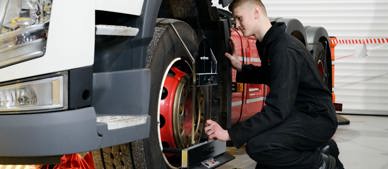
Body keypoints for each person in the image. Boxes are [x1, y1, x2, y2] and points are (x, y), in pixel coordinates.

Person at [204, 0, 344, 169]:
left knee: (259, 146)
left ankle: (321, 162)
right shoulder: (270, 43)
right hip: (302, 114)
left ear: (256, 12)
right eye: (235, 20)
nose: (237, 24)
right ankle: (324, 147)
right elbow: (273, 75)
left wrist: (229, 134)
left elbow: (278, 110)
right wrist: (241, 67)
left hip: (316, 119)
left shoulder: (283, 49)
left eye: (240, 18)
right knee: (266, 157)